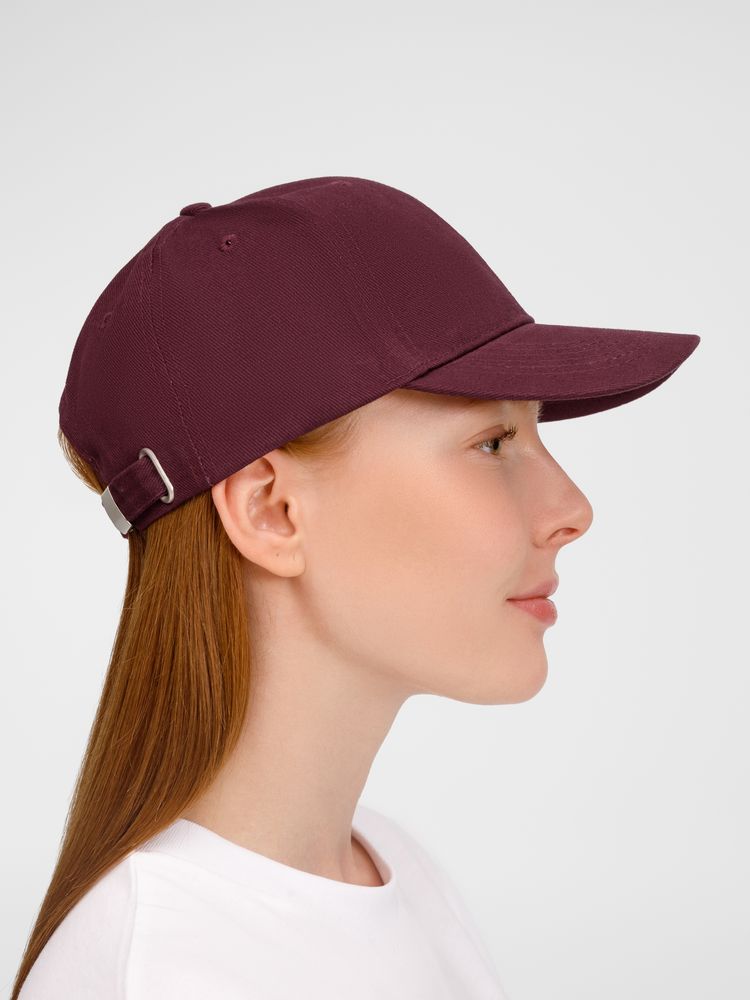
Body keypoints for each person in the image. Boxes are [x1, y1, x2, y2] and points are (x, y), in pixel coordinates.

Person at [12, 175, 700, 999]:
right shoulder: (165, 970)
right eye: (492, 443)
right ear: (272, 511)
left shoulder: (391, 869)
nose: (572, 510)